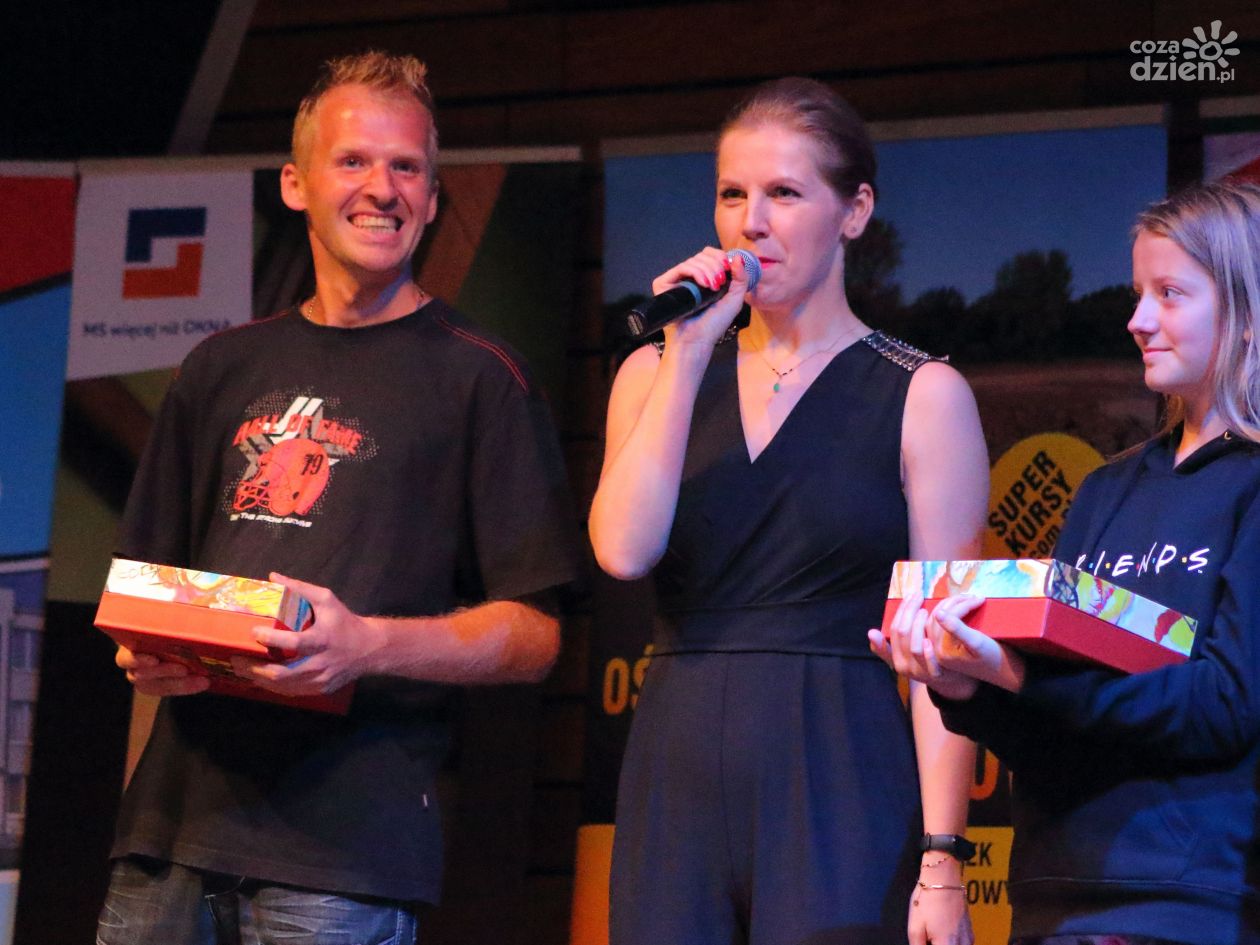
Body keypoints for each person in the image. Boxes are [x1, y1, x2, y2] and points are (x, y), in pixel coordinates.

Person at [95, 51, 580, 945]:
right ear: (296, 184)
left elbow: (535, 635)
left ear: (432, 198)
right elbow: (146, 589)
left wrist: (366, 644)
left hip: (345, 854)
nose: (382, 188)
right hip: (166, 837)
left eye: (408, 167)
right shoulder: (219, 367)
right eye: (354, 160)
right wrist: (146, 655)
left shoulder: (484, 378)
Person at [589, 76, 989, 945]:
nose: (752, 222)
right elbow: (622, 550)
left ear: (854, 211)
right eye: (732, 194)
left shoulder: (922, 395)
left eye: (784, 193)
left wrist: (943, 857)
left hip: (838, 761)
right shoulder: (657, 371)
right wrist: (686, 354)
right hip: (677, 762)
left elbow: (942, 653)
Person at [872, 179, 1260, 945]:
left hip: (1185, 905)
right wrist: (967, 687)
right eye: (1138, 293)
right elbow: (1052, 723)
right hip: (1051, 902)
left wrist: (1025, 679)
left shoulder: (1250, 484)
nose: (1137, 319)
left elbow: (1225, 704)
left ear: (1246, 313)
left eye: (1170, 294)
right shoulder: (1105, 490)